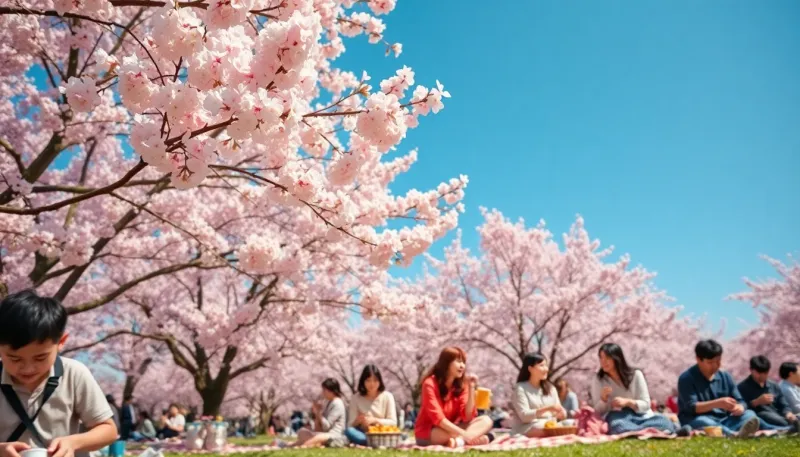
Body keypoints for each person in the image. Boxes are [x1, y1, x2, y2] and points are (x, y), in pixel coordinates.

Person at [0, 290, 118, 457]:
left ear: (61, 342)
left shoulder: (74, 373)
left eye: (40, 358)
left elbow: (108, 430)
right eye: (15, 359)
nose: (28, 368)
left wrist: (73, 443)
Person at [677, 339, 760, 437]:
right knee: (704, 421)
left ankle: (728, 431)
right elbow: (691, 407)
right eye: (710, 362)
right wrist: (718, 403)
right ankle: (732, 434)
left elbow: (741, 401)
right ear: (698, 359)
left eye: (718, 361)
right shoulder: (686, 378)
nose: (716, 365)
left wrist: (740, 407)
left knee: (750, 414)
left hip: (724, 420)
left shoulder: (725, 376)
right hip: (696, 420)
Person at [415, 347, 493, 447]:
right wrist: (465, 434)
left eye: (463, 362)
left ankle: (459, 442)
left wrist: (471, 387)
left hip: (452, 429)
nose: (462, 366)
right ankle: (475, 439)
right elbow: (438, 419)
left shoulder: (461, 385)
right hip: (429, 432)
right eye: (458, 361)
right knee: (453, 433)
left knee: (486, 420)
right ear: (446, 363)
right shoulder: (429, 383)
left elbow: (468, 416)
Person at [591, 343, 677, 435]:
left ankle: (639, 430)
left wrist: (628, 402)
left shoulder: (636, 375)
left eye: (607, 358)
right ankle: (647, 431)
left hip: (641, 416)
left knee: (664, 422)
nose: (603, 361)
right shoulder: (598, 379)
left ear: (617, 358)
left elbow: (646, 404)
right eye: (601, 358)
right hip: (618, 417)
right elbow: (597, 412)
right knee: (617, 425)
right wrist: (603, 400)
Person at [737, 356, 798, 431]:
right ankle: (790, 427)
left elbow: (783, 405)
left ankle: (792, 425)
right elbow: (742, 408)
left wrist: (788, 413)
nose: (762, 376)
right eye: (759, 373)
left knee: (792, 418)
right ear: (751, 370)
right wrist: (756, 402)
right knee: (774, 419)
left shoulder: (773, 385)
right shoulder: (742, 387)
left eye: (765, 373)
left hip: (777, 413)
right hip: (761, 415)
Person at [510, 353, 565, 437]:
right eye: (541, 365)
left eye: (546, 365)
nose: (546, 369)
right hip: (528, 427)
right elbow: (524, 417)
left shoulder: (551, 388)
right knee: (542, 427)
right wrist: (548, 408)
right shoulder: (520, 388)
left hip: (550, 424)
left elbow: (558, 410)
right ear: (530, 369)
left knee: (570, 423)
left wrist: (562, 413)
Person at [282, 378, 347, 448]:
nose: (323, 393)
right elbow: (318, 429)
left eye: (324, 390)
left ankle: (295, 446)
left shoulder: (337, 403)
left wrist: (318, 412)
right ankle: (289, 445)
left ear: (331, 390)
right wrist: (316, 413)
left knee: (314, 439)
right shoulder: (328, 402)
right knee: (302, 432)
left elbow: (327, 426)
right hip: (324, 433)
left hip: (334, 435)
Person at [345, 365, 397, 446]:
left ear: (380, 381)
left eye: (375, 380)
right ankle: (373, 442)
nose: (372, 384)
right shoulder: (355, 398)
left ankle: (372, 442)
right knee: (349, 431)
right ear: (363, 381)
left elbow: (393, 422)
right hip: (363, 433)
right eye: (368, 380)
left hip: (382, 432)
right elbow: (350, 425)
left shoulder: (388, 396)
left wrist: (375, 420)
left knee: (393, 433)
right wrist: (358, 421)